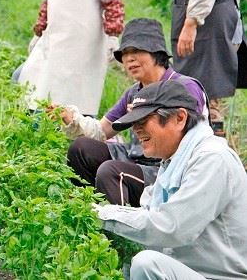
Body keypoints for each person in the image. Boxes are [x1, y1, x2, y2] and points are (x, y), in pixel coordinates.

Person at [94, 80, 247, 279]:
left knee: (147, 264)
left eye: (144, 121)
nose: (136, 130)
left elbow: (171, 227)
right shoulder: (173, 160)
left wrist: (101, 215)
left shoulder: (212, 158)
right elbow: (149, 218)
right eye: (134, 124)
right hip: (192, 272)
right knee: (133, 259)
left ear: (180, 118)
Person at [50, 18, 209, 207]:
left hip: (168, 167)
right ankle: (85, 213)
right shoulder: (134, 92)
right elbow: (102, 131)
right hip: (136, 157)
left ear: (157, 53)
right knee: (82, 148)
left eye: (136, 51)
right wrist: (72, 119)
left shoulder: (184, 87)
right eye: (124, 54)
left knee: (111, 172)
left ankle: (117, 232)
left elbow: (192, 137)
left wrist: (151, 115)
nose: (129, 59)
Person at [17, 0, 124, 116]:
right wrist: (39, 30)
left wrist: (113, 35)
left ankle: (77, 130)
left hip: (83, 41)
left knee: (76, 95)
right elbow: (49, 1)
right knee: (30, 80)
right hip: (55, 37)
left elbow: (112, 0)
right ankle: (35, 126)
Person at [172, 0, 246, 134]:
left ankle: (205, 151)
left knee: (202, 98)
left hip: (208, 19)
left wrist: (192, 21)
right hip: (218, 10)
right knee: (205, 98)